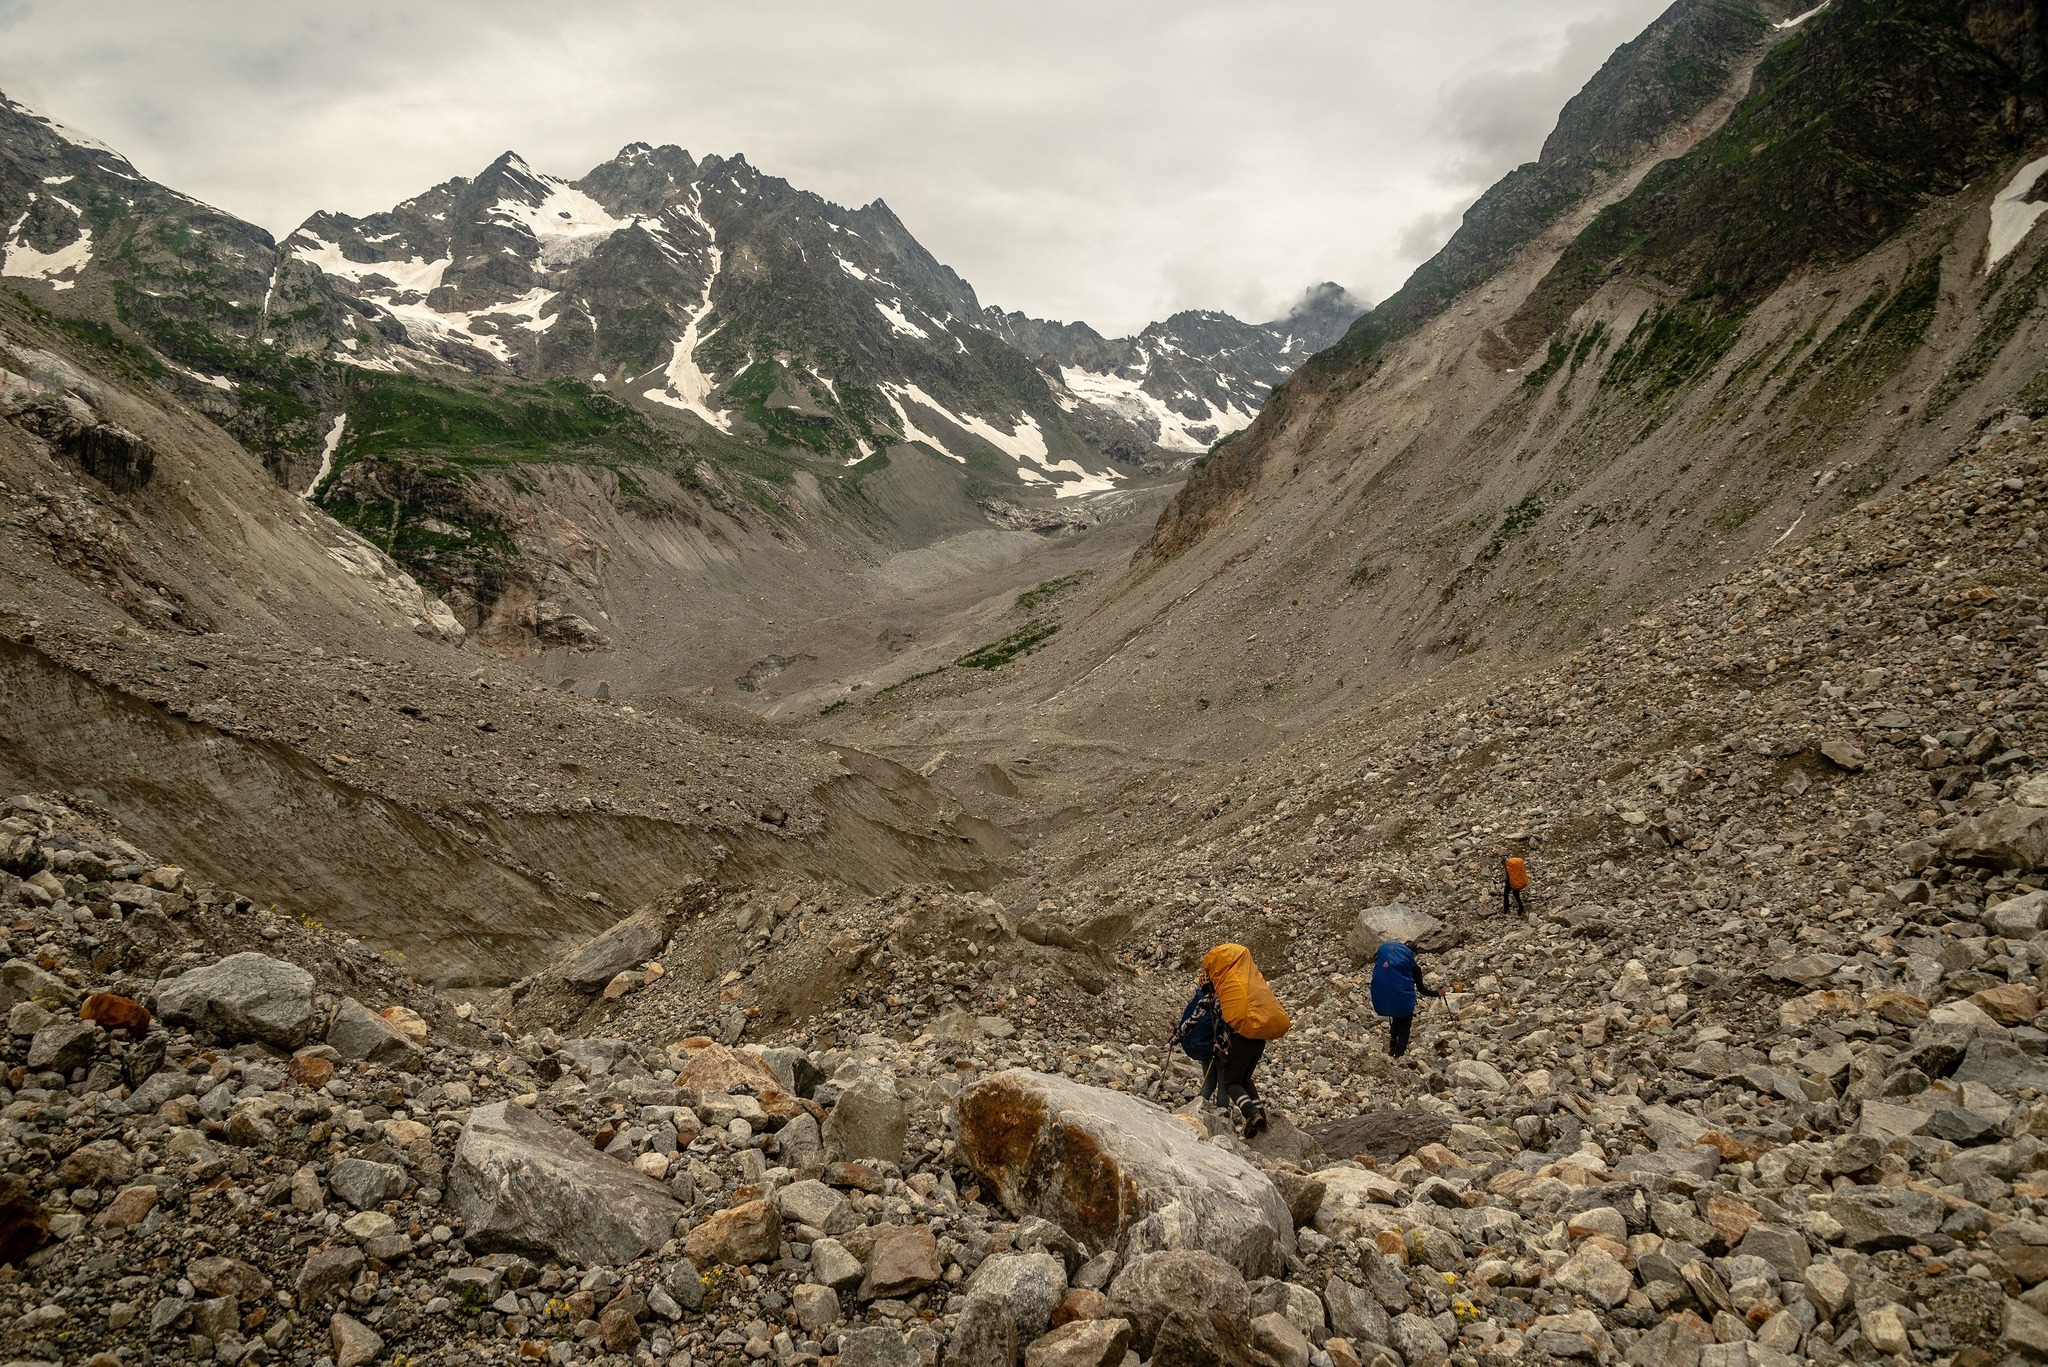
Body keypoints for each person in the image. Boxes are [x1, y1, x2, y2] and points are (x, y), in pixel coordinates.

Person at [1194, 943, 1291, 1138]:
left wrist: (1220, 1044)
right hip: (1258, 1039)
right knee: (1245, 1078)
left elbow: (1226, 1024)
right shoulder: (1243, 989)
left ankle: (1252, 1115)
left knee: (1231, 1083)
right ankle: (1260, 1116)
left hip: (1241, 1039)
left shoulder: (1220, 997)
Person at [1370, 939, 1440, 1057]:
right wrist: (1438, 993)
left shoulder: (1392, 965)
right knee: (1404, 1029)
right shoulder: (1414, 967)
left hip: (1389, 996)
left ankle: (1392, 1048)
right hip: (1404, 1000)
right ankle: (1398, 1056)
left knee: (1396, 1019)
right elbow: (1422, 990)